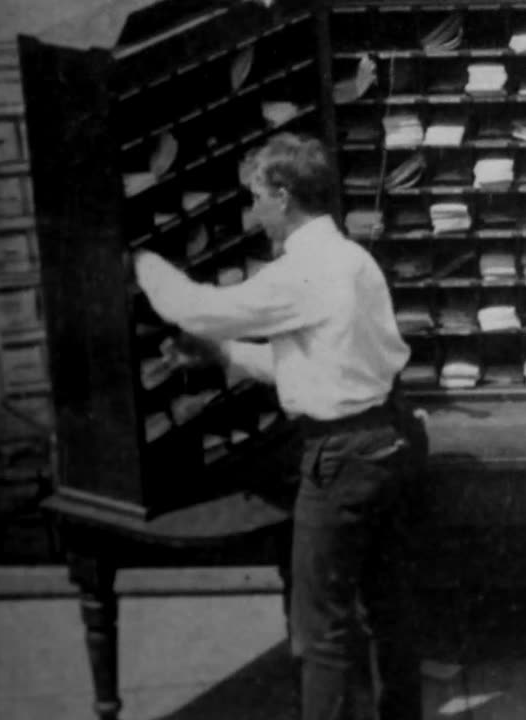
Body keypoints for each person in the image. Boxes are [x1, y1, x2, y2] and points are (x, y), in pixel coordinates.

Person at [133, 133, 427, 720]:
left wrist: (140, 262)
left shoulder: (302, 271)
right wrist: (222, 356)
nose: (251, 210)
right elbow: (319, 369)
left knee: (318, 632)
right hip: (390, 441)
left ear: (284, 196)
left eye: (256, 197)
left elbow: (192, 308)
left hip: (341, 461)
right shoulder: (352, 259)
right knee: (389, 612)